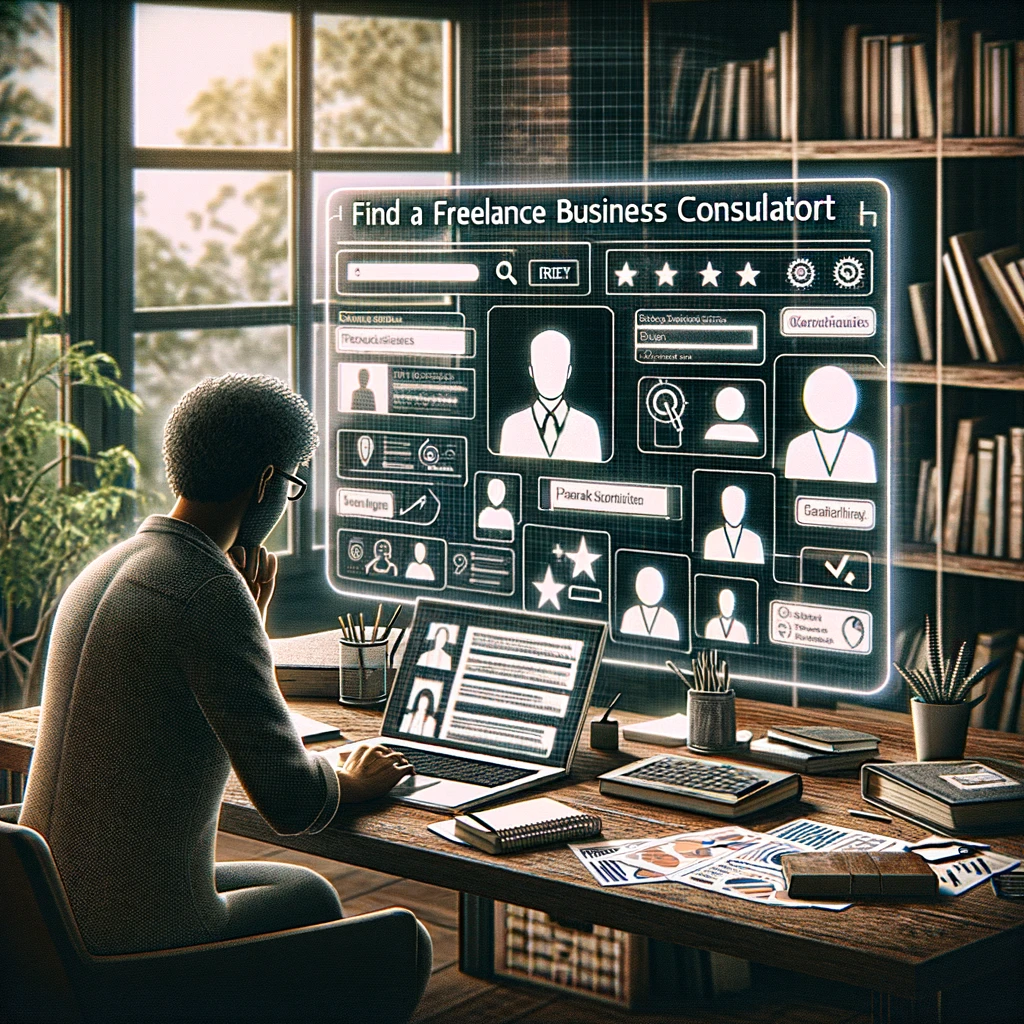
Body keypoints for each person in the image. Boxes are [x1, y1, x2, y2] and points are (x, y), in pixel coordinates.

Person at [19, 374, 431, 1000]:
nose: (288, 498)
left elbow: (186, 694)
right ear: (267, 482)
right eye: (292, 484)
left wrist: (250, 629)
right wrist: (350, 780)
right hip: (125, 938)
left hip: (37, 905)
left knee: (307, 891)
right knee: (353, 916)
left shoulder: (106, 568)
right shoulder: (206, 590)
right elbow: (290, 801)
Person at [498, 329, 603, 461]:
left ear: (568, 371)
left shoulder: (587, 427)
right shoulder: (512, 426)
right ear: (531, 370)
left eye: (557, 366)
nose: (550, 375)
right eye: (544, 366)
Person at [784, 365, 876, 482]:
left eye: (837, 399)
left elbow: (869, 492)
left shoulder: (862, 449)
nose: (830, 406)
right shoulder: (797, 446)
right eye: (822, 398)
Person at [703, 485, 765, 564]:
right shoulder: (712, 538)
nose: (734, 511)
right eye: (729, 505)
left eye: (738, 505)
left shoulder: (754, 539)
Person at [619, 567, 680, 641]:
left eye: (653, 585)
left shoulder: (669, 618)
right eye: (645, 585)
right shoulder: (630, 614)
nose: (649, 590)